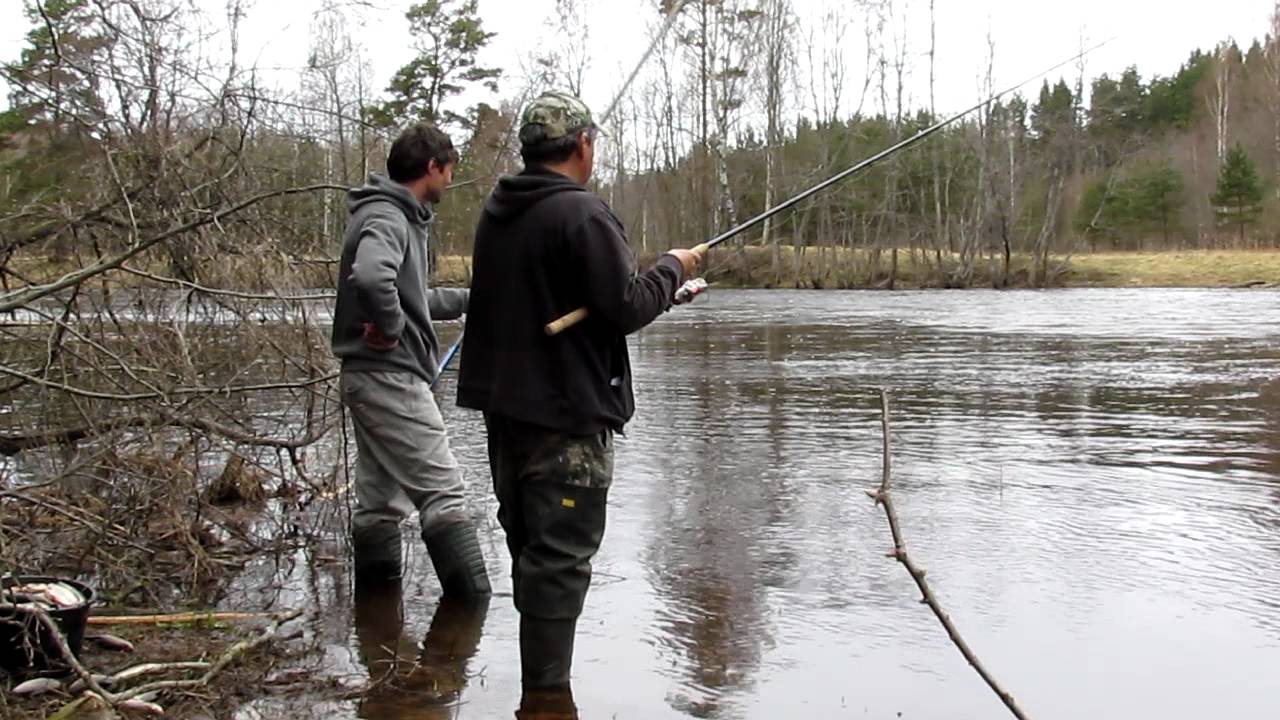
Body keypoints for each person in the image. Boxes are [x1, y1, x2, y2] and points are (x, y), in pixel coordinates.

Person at [456, 91, 701, 706]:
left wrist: (658, 289)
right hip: (564, 416)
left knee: (531, 551)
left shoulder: (499, 211)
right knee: (559, 561)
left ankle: (539, 694)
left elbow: (582, 298)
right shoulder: (583, 215)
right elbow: (623, 307)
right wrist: (671, 268)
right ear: (584, 145)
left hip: (507, 414)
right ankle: (546, 699)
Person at [331, 124, 490, 599]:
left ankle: (375, 626)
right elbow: (371, 277)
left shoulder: (390, 214)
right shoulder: (388, 216)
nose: (449, 180)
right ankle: (471, 617)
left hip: (369, 378)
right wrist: (392, 328)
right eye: (449, 171)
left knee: (379, 504)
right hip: (390, 378)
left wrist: (473, 299)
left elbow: (412, 297)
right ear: (432, 167)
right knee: (444, 494)